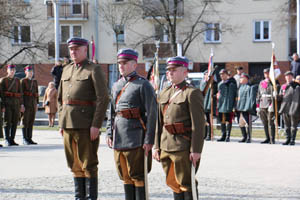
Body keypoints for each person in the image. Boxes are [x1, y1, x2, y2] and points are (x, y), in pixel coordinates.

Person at [58, 37, 109, 200]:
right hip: (68, 124)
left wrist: (96, 124)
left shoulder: (94, 69)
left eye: (77, 49)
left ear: (85, 50)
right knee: (74, 164)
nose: (73, 52)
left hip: (86, 125)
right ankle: (79, 197)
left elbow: (103, 98)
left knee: (89, 164)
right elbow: (60, 99)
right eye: (71, 49)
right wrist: (61, 122)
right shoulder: (66, 69)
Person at [106, 48, 157, 200]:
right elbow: (112, 112)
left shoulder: (143, 85)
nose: (121, 65)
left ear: (134, 64)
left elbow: (152, 114)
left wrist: (149, 140)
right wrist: (109, 133)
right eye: (119, 62)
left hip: (136, 137)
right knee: (124, 175)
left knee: (138, 175)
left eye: (125, 63)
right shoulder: (116, 85)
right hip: (119, 136)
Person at [154, 56, 205, 200]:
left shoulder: (192, 93)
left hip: (183, 145)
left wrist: (196, 150)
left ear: (184, 72)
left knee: (186, 183)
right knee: (173, 182)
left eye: (174, 70)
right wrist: (156, 146)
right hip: (165, 145)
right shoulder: (164, 92)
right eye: (169, 70)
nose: (170, 73)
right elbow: (159, 121)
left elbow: (198, 125)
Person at [0, 64, 24, 146]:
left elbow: (20, 93)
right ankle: (7, 139)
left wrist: (21, 104)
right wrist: (2, 106)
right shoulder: (3, 80)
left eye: (14, 70)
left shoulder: (17, 80)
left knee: (15, 121)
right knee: (7, 122)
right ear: (7, 70)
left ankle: (12, 139)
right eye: (11, 70)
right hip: (7, 104)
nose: (12, 71)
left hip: (16, 104)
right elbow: (1, 95)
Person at [256, 68, 279, 144]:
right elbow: (259, 94)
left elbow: (276, 94)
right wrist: (257, 106)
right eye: (265, 73)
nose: (266, 75)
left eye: (268, 73)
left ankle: (272, 139)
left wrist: (276, 94)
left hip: (270, 104)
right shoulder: (261, 82)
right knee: (264, 123)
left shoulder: (274, 82)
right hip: (262, 104)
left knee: (271, 123)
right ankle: (267, 138)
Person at [278, 71, 299, 145]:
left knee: (293, 126)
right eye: (287, 76)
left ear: (292, 77)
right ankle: (288, 139)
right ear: (285, 77)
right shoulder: (283, 86)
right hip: (285, 107)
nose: (288, 77)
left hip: (294, 108)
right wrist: (276, 96)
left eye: (290, 76)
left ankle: (292, 140)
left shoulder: (297, 86)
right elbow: (281, 97)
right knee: (287, 126)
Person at [216, 69, 237, 142]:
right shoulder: (219, 84)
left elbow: (235, 95)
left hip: (229, 104)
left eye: (223, 74)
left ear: (226, 75)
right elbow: (218, 93)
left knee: (228, 121)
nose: (222, 76)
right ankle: (223, 135)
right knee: (222, 121)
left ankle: (228, 136)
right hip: (221, 105)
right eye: (221, 75)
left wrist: (234, 105)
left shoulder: (232, 84)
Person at [20, 65, 39, 145]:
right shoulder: (23, 81)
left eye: (31, 72)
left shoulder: (34, 81)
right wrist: (22, 104)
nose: (30, 73)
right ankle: (24, 138)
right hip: (26, 103)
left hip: (33, 103)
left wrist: (37, 103)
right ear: (25, 72)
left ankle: (29, 138)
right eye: (29, 72)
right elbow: (21, 94)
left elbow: (36, 93)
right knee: (25, 121)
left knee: (31, 121)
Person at [199, 71, 217, 141]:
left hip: (210, 104)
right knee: (204, 121)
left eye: (208, 75)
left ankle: (210, 135)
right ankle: (204, 134)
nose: (207, 77)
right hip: (203, 104)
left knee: (209, 121)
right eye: (206, 75)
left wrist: (211, 83)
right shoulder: (203, 83)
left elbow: (215, 92)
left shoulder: (213, 84)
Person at [236, 73, 252, 143]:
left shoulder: (248, 87)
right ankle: (244, 136)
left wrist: (247, 107)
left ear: (246, 79)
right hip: (240, 108)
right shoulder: (240, 87)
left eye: (242, 78)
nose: (240, 79)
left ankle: (249, 137)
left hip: (245, 108)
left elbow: (249, 98)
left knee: (247, 123)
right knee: (241, 123)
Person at [288, 75, 300, 145]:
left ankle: (292, 139)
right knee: (293, 126)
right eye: (298, 79)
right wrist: (295, 81)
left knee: (294, 126)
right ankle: (292, 139)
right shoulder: (295, 86)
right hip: (295, 109)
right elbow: (291, 84)